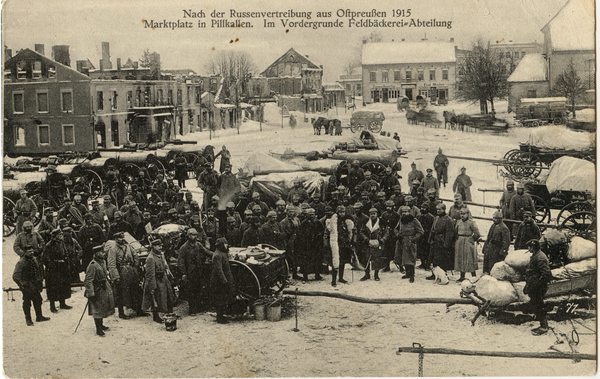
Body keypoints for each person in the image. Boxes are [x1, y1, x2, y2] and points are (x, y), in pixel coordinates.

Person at [178, 228, 213, 316]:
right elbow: (181, 262)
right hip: (191, 272)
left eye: (196, 235)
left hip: (199, 270)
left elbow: (206, 252)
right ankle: (192, 310)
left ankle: (197, 307)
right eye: (193, 235)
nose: (195, 237)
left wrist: (216, 254)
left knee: (199, 288)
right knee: (191, 291)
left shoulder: (198, 245)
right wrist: (184, 273)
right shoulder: (184, 248)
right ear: (188, 236)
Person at [13, 247, 51, 326]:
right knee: (27, 302)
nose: (32, 253)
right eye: (29, 252)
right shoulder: (21, 262)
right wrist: (23, 284)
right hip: (27, 286)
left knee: (38, 300)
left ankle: (39, 316)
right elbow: (16, 276)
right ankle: (28, 319)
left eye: (32, 251)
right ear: (25, 252)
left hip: (35, 284)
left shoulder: (34, 260)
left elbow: (38, 271)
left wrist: (40, 281)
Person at [107, 232, 141, 319]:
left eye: (122, 237)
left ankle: (138, 309)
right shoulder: (113, 249)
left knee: (135, 290)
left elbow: (136, 256)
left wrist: (135, 268)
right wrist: (116, 277)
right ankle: (121, 313)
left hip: (131, 270)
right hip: (121, 271)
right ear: (116, 239)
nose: (122, 239)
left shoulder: (128, 246)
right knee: (121, 293)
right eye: (119, 238)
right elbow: (111, 264)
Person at [84, 245, 115, 336]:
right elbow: (88, 280)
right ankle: (98, 329)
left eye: (103, 252)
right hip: (97, 289)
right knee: (97, 309)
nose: (104, 253)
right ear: (96, 254)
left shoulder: (103, 262)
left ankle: (101, 325)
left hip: (104, 287)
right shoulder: (92, 265)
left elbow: (105, 274)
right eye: (101, 252)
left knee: (103, 307)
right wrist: (91, 293)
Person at [523, 239, 552, 336]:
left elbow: (546, 274)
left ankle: (544, 327)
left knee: (539, 305)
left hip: (538, 286)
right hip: (534, 285)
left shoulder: (540, 258)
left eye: (529, 247)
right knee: (536, 304)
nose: (528, 249)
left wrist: (537, 284)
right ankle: (542, 324)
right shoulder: (536, 255)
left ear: (533, 247)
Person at [142, 239, 175, 323]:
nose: (161, 247)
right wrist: (152, 287)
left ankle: (169, 313)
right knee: (155, 298)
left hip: (163, 279)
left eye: (161, 246)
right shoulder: (151, 258)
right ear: (153, 247)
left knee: (167, 296)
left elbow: (165, 266)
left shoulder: (161, 255)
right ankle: (156, 316)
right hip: (156, 280)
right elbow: (150, 274)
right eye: (158, 246)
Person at [42, 229, 73, 313]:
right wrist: (54, 263)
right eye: (59, 235)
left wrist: (66, 259)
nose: (61, 236)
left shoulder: (62, 243)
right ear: (55, 236)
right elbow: (45, 258)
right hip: (53, 270)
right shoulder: (49, 245)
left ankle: (62, 303)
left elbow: (65, 252)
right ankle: (52, 306)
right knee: (53, 288)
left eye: (61, 235)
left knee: (63, 286)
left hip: (62, 268)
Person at [324, 205, 354, 287]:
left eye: (343, 212)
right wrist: (326, 244)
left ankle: (341, 277)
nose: (342, 214)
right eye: (340, 212)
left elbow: (350, 232)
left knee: (342, 262)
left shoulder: (346, 221)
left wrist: (349, 241)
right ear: (337, 213)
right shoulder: (332, 222)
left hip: (344, 245)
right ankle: (333, 280)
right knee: (335, 262)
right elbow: (326, 234)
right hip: (335, 244)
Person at [211, 237, 237, 324]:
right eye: (225, 244)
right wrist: (225, 281)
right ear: (220, 245)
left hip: (223, 280)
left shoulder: (222, 253)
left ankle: (222, 315)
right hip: (218, 281)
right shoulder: (217, 255)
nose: (226, 246)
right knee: (219, 299)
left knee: (223, 298)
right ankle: (219, 317)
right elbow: (219, 271)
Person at [395, 206, 424, 283]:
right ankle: (407, 274)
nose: (404, 214)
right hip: (402, 241)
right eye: (403, 212)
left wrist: (414, 239)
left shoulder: (414, 221)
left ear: (409, 212)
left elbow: (420, 231)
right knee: (403, 258)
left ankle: (412, 276)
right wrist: (397, 234)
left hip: (410, 242)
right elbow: (396, 229)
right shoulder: (401, 220)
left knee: (410, 258)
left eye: (406, 212)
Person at [427, 203, 455, 280]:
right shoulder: (436, 218)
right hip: (435, 241)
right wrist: (430, 240)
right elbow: (432, 230)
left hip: (442, 242)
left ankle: (443, 275)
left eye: (439, 209)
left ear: (444, 210)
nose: (438, 211)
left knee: (442, 260)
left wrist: (446, 244)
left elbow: (449, 233)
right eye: (437, 209)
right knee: (434, 259)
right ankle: (434, 274)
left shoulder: (448, 220)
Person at [360, 208, 388, 281]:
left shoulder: (382, 222)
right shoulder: (366, 222)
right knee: (366, 259)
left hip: (378, 243)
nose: (372, 215)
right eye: (371, 214)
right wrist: (366, 239)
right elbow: (361, 232)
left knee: (377, 259)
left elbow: (386, 233)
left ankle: (376, 275)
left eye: (374, 214)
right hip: (368, 243)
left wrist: (381, 240)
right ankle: (367, 274)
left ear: (377, 214)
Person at [297, 208, 324, 281]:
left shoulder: (318, 223)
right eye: (310, 215)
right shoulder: (303, 223)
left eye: (313, 215)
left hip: (316, 245)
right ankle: (305, 276)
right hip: (307, 245)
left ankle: (317, 275)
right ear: (307, 215)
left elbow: (322, 232)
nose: (311, 216)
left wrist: (319, 235)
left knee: (317, 260)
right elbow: (300, 234)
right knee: (306, 261)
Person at [454, 208, 480, 281]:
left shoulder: (471, 223)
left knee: (469, 258)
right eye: (461, 214)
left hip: (468, 242)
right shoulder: (458, 222)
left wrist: (471, 239)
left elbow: (477, 234)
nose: (462, 215)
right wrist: (458, 239)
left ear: (468, 214)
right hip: (460, 241)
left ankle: (473, 276)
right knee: (461, 258)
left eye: (464, 214)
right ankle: (462, 276)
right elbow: (455, 232)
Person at [280, 206, 301, 280]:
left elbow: (299, 229)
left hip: (296, 241)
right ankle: (286, 274)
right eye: (290, 211)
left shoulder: (297, 220)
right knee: (288, 257)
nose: (291, 213)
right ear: (287, 212)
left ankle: (295, 274)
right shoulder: (283, 222)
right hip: (288, 241)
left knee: (296, 257)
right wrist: (285, 243)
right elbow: (283, 234)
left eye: (293, 211)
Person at [417, 202, 435, 269]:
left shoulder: (431, 217)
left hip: (427, 236)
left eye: (424, 208)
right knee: (421, 250)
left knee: (427, 250)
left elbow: (432, 227)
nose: (422, 209)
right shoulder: (418, 216)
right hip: (421, 236)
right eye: (421, 208)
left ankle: (428, 264)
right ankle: (422, 263)